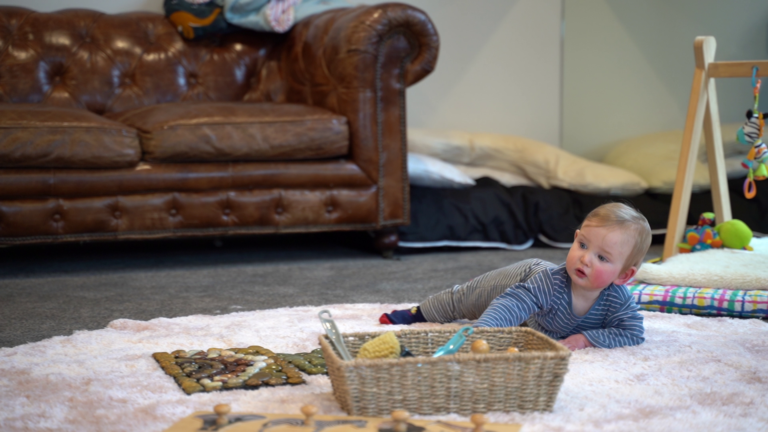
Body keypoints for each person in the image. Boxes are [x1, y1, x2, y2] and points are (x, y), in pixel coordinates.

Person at [380, 202, 652, 351]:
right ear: (575, 239)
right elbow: (512, 305)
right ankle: (419, 312)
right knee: (467, 298)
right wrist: (483, 331)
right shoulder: (551, 281)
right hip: (522, 277)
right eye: (583, 245)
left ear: (624, 275)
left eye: (602, 258)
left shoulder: (617, 301)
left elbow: (633, 332)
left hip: (533, 324)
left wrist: (586, 339)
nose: (585, 258)